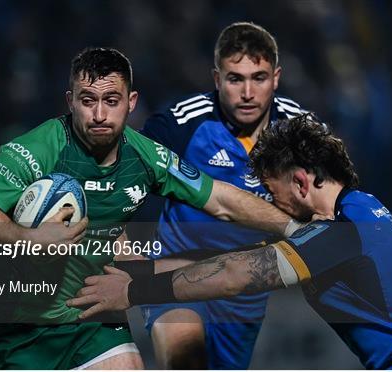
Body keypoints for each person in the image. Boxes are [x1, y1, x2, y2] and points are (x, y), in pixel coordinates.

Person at [0, 47, 302, 370]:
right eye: (88, 101)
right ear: (71, 102)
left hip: (92, 317)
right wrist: (29, 238)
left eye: (111, 100)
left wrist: (293, 229)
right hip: (21, 325)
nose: (99, 114)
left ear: (131, 102)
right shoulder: (38, 149)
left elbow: (221, 199)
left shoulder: (146, 156)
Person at [70, 114, 392, 369]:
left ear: (301, 182)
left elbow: (236, 274)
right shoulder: (356, 210)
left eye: (271, 191)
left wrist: (135, 292)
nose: (269, 204)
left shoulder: (341, 233)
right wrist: (127, 272)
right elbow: (225, 262)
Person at [137, 21, 310, 369]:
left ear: (276, 78)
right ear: (217, 80)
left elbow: (329, 206)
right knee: (186, 357)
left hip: (244, 291)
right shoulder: (181, 125)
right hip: (178, 270)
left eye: (258, 78)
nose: (247, 92)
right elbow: (124, 177)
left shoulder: (302, 132)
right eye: (235, 79)